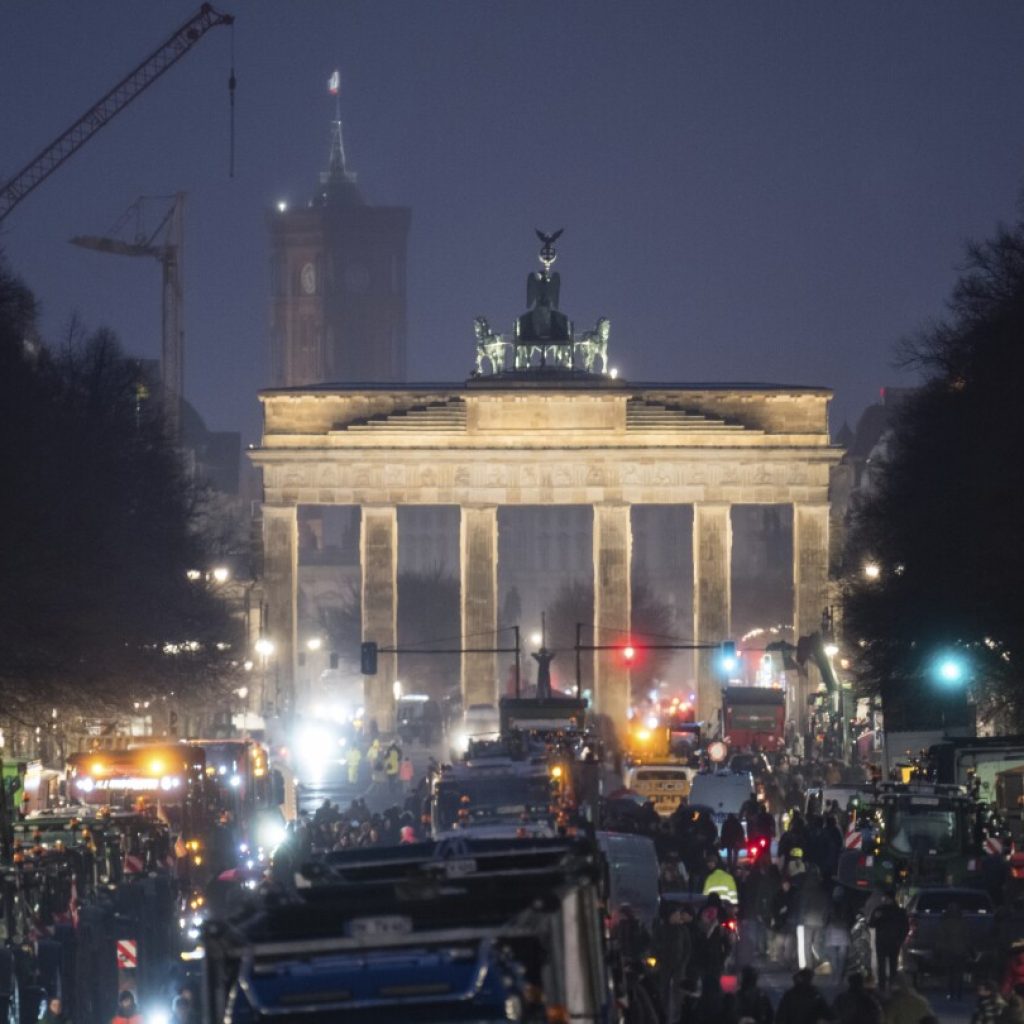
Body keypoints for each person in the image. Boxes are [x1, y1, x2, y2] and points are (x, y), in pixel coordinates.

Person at [868, 890, 909, 992]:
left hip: (883, 942)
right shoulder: (900, 912)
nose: (883, 899)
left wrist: (876, 918)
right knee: (892, 964)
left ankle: (883, 986)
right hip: (893, 942)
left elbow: (871, 924)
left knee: (883, 964)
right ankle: (891, 984)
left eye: (884, 898)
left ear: (888, 898)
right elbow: (905, 927)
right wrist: (901, 939)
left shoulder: (880, 910)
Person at [934, 900, 971, 1001]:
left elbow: (940, 938)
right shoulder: (963, 923)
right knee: (959, 973)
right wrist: (970, 950)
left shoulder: (944, 923)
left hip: (948, 951)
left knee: (949, 973)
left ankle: (950, 993)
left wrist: (938, 950)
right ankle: (959, 992)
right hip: (960, 951)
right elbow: (967, 938)